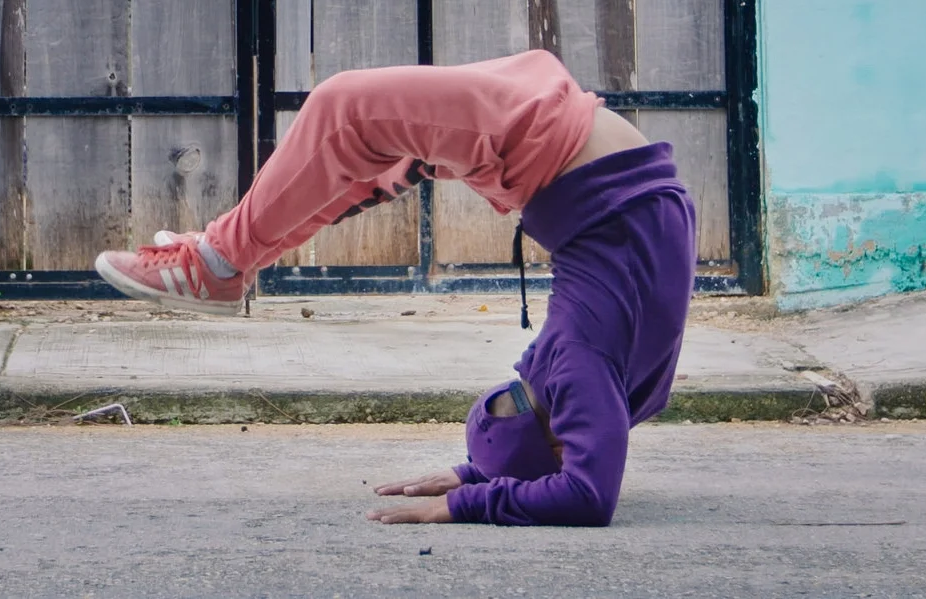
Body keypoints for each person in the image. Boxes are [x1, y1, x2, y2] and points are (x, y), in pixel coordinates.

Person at [93, 49, 695, 527]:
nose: (521, 380)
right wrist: (479, 493)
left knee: (367, 141)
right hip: (562, 153)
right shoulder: (585, 377)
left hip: (582, 168)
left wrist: (478, 478)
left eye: (508, 397)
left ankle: (226, 261)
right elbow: (586, 498)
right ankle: (223, 262)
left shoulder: (604, 388)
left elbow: (568, 471)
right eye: (514, 404)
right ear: (565, 443)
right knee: (346, 110)